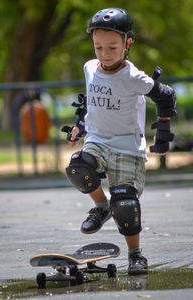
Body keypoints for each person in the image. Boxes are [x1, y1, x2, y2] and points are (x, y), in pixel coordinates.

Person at [62, 8, 176, 274]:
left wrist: (162, 134)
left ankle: (135, 255)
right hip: (98, 140)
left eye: (112, 47)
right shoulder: (90, 67)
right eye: (98, 47)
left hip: (127, 147)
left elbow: (166, 96)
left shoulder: (134, 77)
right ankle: (101, 207)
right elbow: (91, 99)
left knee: (125, 204)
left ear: (128, 43)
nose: (104, 53)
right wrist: (80, 125)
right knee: (78, 167)